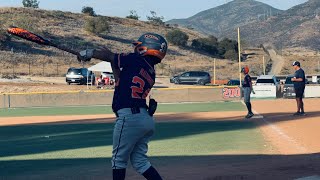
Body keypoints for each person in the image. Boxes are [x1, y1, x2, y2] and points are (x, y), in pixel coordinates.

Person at [77, 33, 167, 180]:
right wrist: (109, 58)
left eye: (138, 46)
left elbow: (111, 56)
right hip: (144, 119)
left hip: (129, 118)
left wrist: (89, 53)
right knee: (140, 162)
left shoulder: (136, 59)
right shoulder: (150, 71)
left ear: (146, 48)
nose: (136, 49)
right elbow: (119, 78)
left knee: (118, 161)